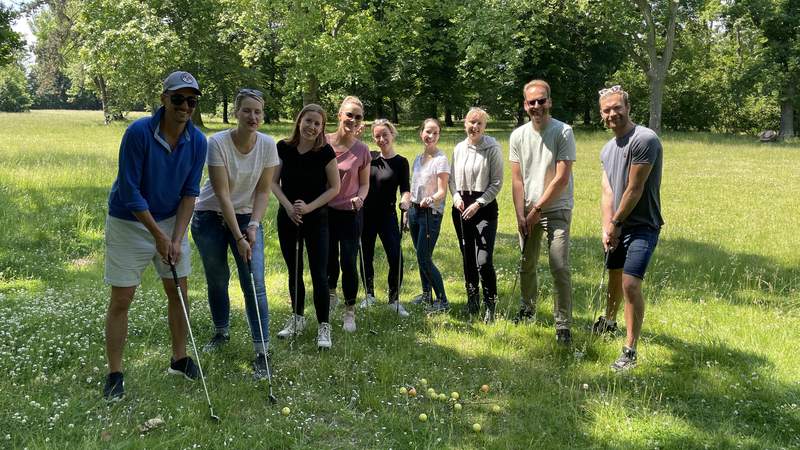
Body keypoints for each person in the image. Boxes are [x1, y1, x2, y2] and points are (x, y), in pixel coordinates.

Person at [102, 71, 207, 401]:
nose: (184, 106)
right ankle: (115, 373)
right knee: (122, 299)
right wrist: (158, 237)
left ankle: (179, 359)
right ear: (163, 99)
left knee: (178, 293)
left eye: (191, 101)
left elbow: (191, 192)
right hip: (129, 221)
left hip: (171, 221)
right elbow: (131, 192)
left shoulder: (198, 141)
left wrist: (175, 237)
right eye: (178, 99)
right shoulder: (138, 133)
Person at [190, 88, 278, 379]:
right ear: (236, 113)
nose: (253, 116)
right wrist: (238, 238)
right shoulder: (216, 142)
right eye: (247, 111)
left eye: (258, 111)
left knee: (254, 282)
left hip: (246, 217)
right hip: (210, 216)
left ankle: (262, 352)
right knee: (218, 279)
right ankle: (221, 331)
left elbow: (264, 191)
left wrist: (251, 227)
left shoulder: (267, 144)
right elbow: (222, 194)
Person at [596, 85, 663, 371]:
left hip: (641, 225)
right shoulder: (607, 149)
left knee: (630, 284)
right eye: (606, 110)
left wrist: (616, 223)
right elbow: (608, 191)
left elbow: (635, 189)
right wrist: (606, 226)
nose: (612, 114)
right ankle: (609, 321)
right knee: (614, 276)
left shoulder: (645, 139)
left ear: (628, 107)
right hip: (616, 225)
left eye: (616, 107)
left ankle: (630, 349)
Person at [509, 79, 576, 345]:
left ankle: (563, 325)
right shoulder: (518, 135)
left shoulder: (563, 132)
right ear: (525, 105)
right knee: (527, 263)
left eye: (541, 101)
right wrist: (520, 215)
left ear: (550, 101)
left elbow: (561, 178)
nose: (537, 106)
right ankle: (527, 309)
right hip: (527, 211)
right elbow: (516, 179)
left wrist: (537, 209)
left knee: (559, 266)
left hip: (555, 207)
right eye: (531, 102)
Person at [272, 104, 340, 349]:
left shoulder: (325, 152)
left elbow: (335, 188)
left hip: (316, 219)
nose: (312, 127)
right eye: (308, 121)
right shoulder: (283, 147)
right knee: (294, 269)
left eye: (317, 123)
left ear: (322, 128)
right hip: (288, 218)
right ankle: (297, 318)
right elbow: (272, 182)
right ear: (299, 121)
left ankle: (324, 326)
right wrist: (289, 207)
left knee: (319, 274)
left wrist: (309, 207)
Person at [449, 107, 503, 323]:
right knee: (468, 258)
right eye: (472, 122)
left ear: (485, 126)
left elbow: (497, 182)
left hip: (484, 209)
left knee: (483, 259)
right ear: (465, 124)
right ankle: (472, 302)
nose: (475, 127)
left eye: (479, 123)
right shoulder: (459, 148)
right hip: (461, 208)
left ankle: (491, 304)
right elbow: (451, 179)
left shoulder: (492, 147)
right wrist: (454, 196)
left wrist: (479, 204)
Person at [325, 96, 371, 332]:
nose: (353, 120)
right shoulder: (323, 143)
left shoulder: (363, 150)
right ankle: (331, 293)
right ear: (339, 115)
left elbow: (364, 184)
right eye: (349, 115)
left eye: (358, 117)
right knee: (329, 258)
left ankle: (350, 310)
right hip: (325, 211)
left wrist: (360, 197)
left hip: (351, 212)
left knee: (349, 262)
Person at [359, 119, 412, 317]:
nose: (381, 139)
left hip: (388, 214)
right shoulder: (370, 157)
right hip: (366, 214)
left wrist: (406, 202)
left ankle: (394, 299)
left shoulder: (401, 162)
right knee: (366, 255)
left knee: (396, 257)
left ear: (392, 135)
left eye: (385, 135)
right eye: (377, 136)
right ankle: (369, 294)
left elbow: (406, 189)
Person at [409, 118, 451, 313]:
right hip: (414, 212)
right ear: (421, 133)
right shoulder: (418, 159)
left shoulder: (441, 160)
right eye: (428, 132)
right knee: (420, 256)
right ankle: (426, 295)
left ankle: (442, 301)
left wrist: (431, 199)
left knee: (424, 257)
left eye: (435, 133)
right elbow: (413, 187)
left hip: (430, 213)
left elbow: (443, 191)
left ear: (439, 135)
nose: (431, 136)